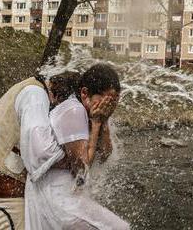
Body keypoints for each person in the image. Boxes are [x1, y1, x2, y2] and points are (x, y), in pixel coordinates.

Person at [22, 64, 130, 229]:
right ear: (85, 93)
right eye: (104, 101)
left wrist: (105, 120)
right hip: (57, 197)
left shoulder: (88, 111)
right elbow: (82, 168)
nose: (106, 107)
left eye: (112, 103)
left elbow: (105, 155)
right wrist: (96, 124)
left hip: (67, 192)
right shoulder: (74, 110)